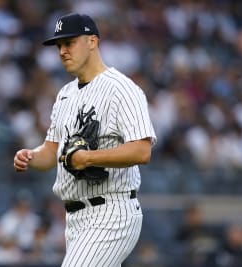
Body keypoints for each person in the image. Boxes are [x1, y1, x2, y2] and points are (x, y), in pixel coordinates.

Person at [13, 13, 157, 267]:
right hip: (75, 219)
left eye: (69, 43)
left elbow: (142, 151)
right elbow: (51, 152)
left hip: (111, 210)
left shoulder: (122, 89)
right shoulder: (65, 94)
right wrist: (31, 156)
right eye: (59, 46)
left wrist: (88, 157)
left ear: (92, 41)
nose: (62, 51)